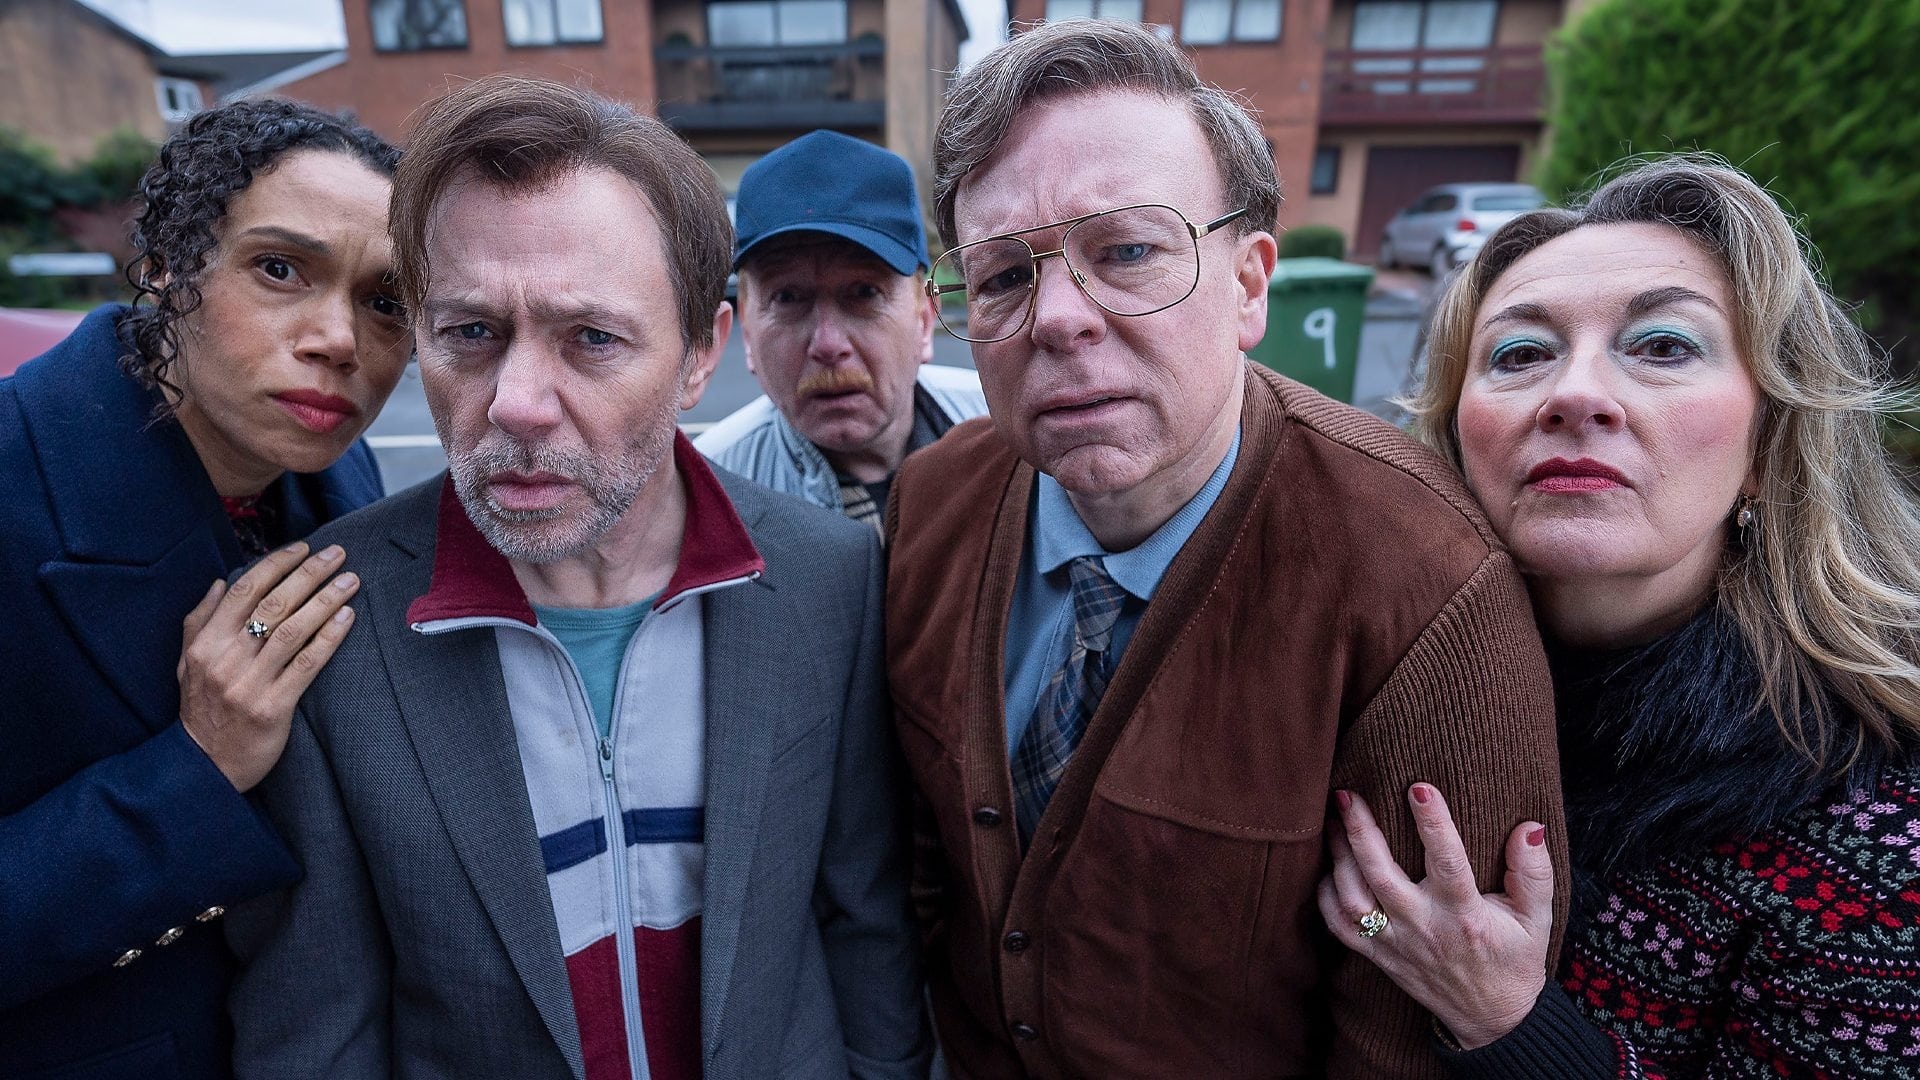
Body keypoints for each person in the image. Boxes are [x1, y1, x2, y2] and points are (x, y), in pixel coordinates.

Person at [887, 20, 1568, 1078]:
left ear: (1250, 286)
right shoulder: (932, 505)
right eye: (1006, 275)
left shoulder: (1421, 578)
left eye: (1127, 251)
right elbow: (923, 865)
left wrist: (1366, 930)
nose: (1059, 318)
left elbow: (1400, 1022)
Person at [226, 76, 929, 1080]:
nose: (516, 402)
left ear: (701, 355)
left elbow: (866, 927)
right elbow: (318, 1026)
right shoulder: (330, 623)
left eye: (592, 338)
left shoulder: (828, 576)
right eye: (471, 333)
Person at [1323, 154, 1920, 1079]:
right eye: (1521, 354)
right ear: (1455, 437)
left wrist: (1505, 1019)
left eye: (1664, 346)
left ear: (1770, 446)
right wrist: (1368, 934)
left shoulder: (1876, 819)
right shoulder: (1358, 669)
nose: (1575, 395)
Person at [0, 100, 407, 1079]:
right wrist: (196, 769)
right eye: (280, 269)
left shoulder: (337, 477)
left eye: (388, 300)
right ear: (166, 265)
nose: (338, 339)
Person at [694, 129, 985, 534]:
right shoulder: (704, 500)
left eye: (864, 293)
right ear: (747, 331)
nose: (828, 344)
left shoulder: (1013, 443)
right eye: (788, 298)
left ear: (923, 317)